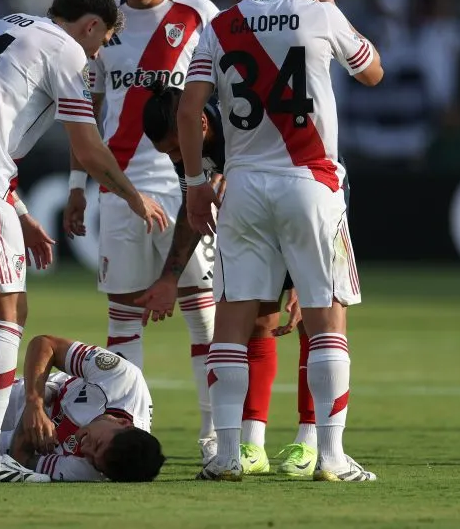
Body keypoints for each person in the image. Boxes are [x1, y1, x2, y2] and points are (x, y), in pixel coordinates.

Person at [0, 0, 167, 483]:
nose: (99, 54)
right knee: (9, 310)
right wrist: (135, 197)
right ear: (90, 26)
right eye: (104, 41)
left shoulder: (1, 25)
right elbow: (89, 149)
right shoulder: (66, 51)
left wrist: (21, 212)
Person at [179, 0, 383, 482]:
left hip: (242, 185)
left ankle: (225, 457)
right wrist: (332, 5)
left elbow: (191, 109)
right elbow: (373, 73)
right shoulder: (321, 16)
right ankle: (331, 456)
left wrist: (197, 184)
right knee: (327, 320)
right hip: (310, 182)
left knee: (233, 323)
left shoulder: (218, 27)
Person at [61, 0, 220, 464]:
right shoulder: (106, 24)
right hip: (120, 185)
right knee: (123, 320)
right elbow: (87, 106)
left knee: (204, 315)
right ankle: (130, 431)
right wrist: (79, 184)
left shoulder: (200, 14)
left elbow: (226, 95)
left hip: (186, 184)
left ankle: (214, 437)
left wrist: (219, 168)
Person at [140, 86, 343, 476]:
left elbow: (301, 188)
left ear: (200, 122)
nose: (176, 159)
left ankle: (310, 442)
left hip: (310, 195)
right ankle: (252, 444)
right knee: (259, 320)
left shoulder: (249, 130)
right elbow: (192, 209)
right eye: (169, 153)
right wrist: (169, 278)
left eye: (177, 150)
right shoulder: (189, 144)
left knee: (312, 323)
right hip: (261, 212)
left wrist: (306, 277)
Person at [0, 335, 164, 482]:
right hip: (29, 396)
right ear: (123, 424)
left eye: (93, 457)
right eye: (98, 443)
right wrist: (35, 404)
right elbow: (45, 344)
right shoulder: (124, 379)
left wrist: (27, 431)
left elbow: (21, 459)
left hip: (29, 426)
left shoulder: (91, 470)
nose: (86, 448)